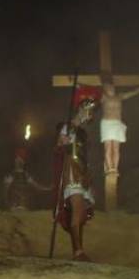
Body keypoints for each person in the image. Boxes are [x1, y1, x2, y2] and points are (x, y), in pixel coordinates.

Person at [54, 86, 99, 261]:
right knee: (77, 209)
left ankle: (79, 250)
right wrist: (62, 141)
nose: (91, 115)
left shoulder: (83, 132)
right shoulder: (68, 127)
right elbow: (59, 146)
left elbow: (84, 154)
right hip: (72, 172)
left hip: (83, 172)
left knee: (81, 216)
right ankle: (78, 252)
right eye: (90, 110)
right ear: (82, 108)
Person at [98, 73, 139, 174]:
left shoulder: (120, 96)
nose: (111, 88)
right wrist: (79, 85)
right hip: (106, 123)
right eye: (109, 87)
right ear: (105, 88)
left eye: (112, 87)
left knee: (116, 148)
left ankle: (115, 168)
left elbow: (134, 92)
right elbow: (89, 93)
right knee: (108, 147)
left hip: (117, 123)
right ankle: (109, 167)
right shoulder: (103, 97)